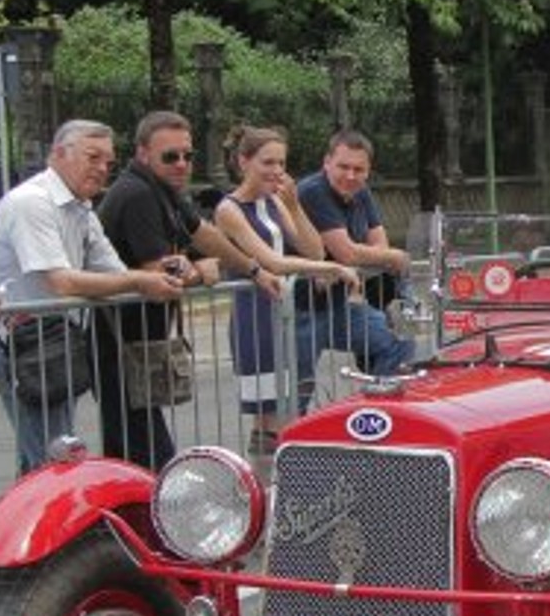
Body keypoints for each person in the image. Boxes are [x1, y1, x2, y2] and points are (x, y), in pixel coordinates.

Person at [0, 119, 186, 473]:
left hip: (57, 343)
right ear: (59, 154)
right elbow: (61, 282)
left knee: (43, 460)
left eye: (107, 162)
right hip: (27, 345)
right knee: (53, 464)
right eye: (93, 157)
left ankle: (29, 527)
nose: (102, 169)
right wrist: (141, 281)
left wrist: (166, 271)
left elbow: (114, 271)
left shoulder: (81, 207)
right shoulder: (32, 203)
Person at [95, 110, 255, 471]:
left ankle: (127, 524)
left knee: (131, 455)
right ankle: (155, 523)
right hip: (119, 345)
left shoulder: (163, 190)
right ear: (142, 154)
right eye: (170, 156)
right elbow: (161, 274)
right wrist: (199, 271)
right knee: (151, 458)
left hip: (138, 344)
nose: (181, 164)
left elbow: (204, 234)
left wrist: (252, 268)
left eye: (188, 155)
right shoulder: (137, 193)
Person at [214, 124, 367, 455]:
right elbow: (273, 261)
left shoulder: (275, 201)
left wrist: (295, 207)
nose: (277, 171)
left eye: (281, 163)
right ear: (244, 162)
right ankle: (268, 477)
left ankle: (277, 473)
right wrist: (333, 267)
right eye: (267, 163)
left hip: (281, 310)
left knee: (287, 404)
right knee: (270, 413)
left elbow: (311, 248)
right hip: (253, 314)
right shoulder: (229, 209)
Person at [294, 129, 414, 377]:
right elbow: (347, 253)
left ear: (368, 170)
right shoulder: (312, 191)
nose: (350, 176)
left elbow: (379, 243)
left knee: (399, 342)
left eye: (359, 170)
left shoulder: (361, 191)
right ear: (326, 163)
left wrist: (383, 255)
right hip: (299, 309)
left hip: (338, 304)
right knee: (297, 393)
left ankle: (376, 410)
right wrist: (395, 257)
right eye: (343, 167)